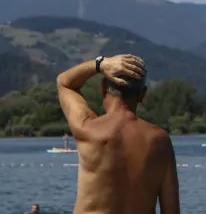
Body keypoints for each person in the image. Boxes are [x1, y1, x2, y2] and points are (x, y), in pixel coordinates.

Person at [56, 54, 179, 214]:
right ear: (142, 95)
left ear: (103, 89)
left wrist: (100, 64)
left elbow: (64, 83)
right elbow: (171, 211)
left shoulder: (88, 128)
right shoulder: (160, 141)